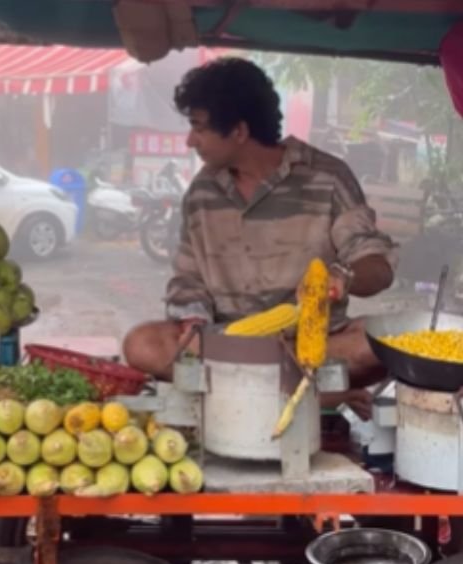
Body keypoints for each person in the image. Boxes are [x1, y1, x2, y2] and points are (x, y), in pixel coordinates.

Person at [121, 58, 396, 418]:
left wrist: (345, 277)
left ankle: (253, 391)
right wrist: (193, 320)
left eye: (199, 128)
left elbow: (376, 264)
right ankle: (312, 395)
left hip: (313, 343)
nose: (190, 141)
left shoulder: (327, 177)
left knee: (382, 347)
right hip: (229, 343)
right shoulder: (202, 192)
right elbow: (188, 279)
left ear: (238, 131)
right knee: (142, 344)